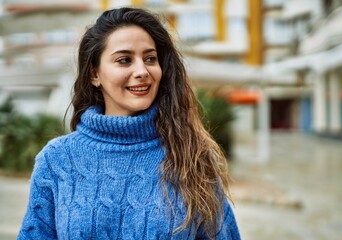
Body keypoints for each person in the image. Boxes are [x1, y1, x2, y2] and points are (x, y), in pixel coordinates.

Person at [17, 7, 241, 240]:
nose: (142, 71)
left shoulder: (193, 157)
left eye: (150, 59)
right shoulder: (57, 159)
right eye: (124, 60)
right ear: (94, 74)